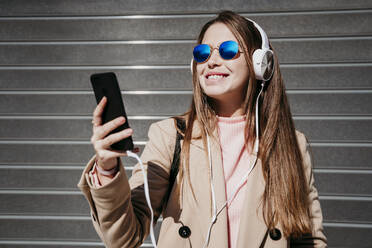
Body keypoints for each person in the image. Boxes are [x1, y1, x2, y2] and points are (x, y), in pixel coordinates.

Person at [78, 10, 327, 248]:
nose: (211, 61)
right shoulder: (171, 136)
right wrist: (107, 169)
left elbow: (309, 240)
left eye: (228, 51)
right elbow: (123, 239)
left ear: (260, 64)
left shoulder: (292, 144)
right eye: (202, 53)